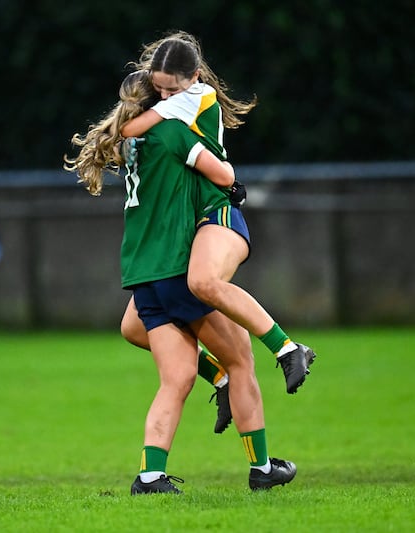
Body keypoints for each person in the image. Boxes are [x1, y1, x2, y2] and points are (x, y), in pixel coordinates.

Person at [65, 71, 296, 493]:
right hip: (174, 267)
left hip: (142, 275)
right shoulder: (172, 132)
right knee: (241, 360)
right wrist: (229, 177)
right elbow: (223, 176)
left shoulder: (126, 144)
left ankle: (150, 475)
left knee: (175, 378)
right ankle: (262, 466)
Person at [119, 31, 317, 397]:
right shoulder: (179, 100)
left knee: (204, 285)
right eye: (158, 88)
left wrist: (125, 131)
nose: (164, 96)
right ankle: (221, 379)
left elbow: (129, 127)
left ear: (193, 77)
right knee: (133, 327)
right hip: (190, 219)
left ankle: (287, 348)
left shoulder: (190, 99)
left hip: (213, 208)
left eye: (170, 89)